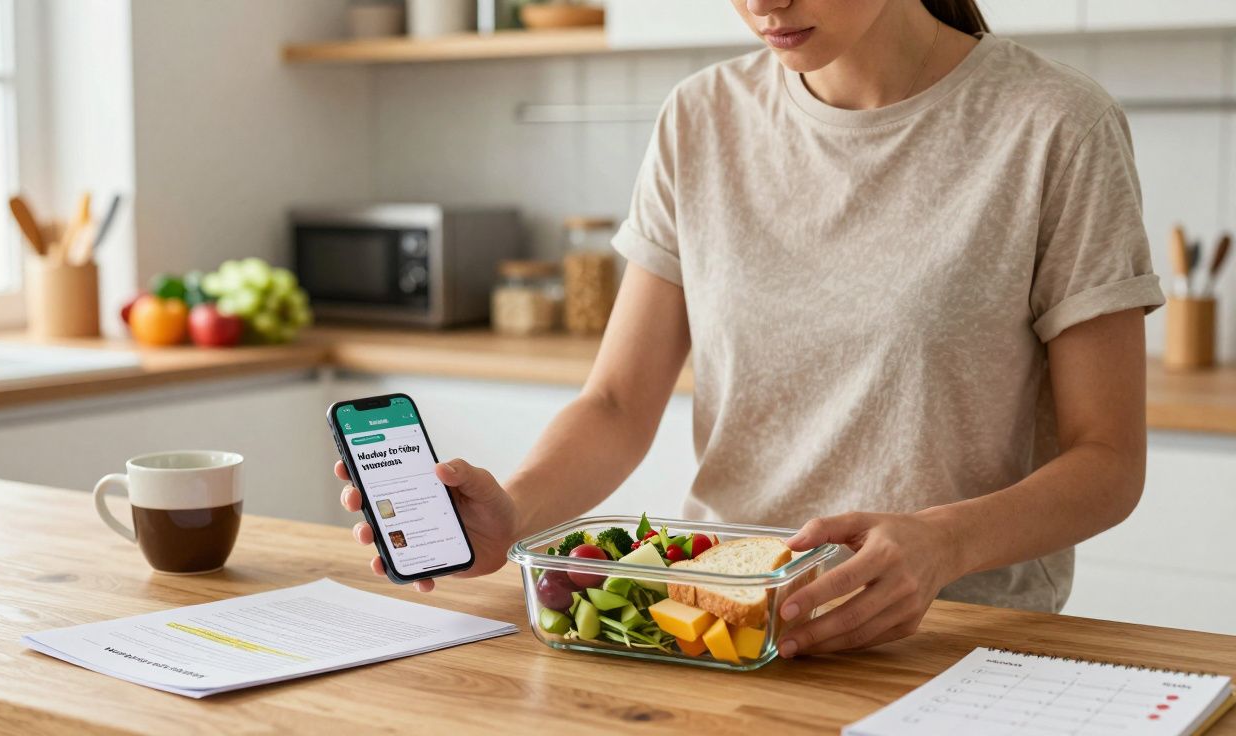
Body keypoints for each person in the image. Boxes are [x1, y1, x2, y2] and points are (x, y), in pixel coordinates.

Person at [336, 0, 1164, 658]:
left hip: (954, 643)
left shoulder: (1054, 125)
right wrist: (512, 512)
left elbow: (1109, 461)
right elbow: (620, 402)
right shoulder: (700, 118)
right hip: (719, 627)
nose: (763, 3)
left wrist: (944, 544)